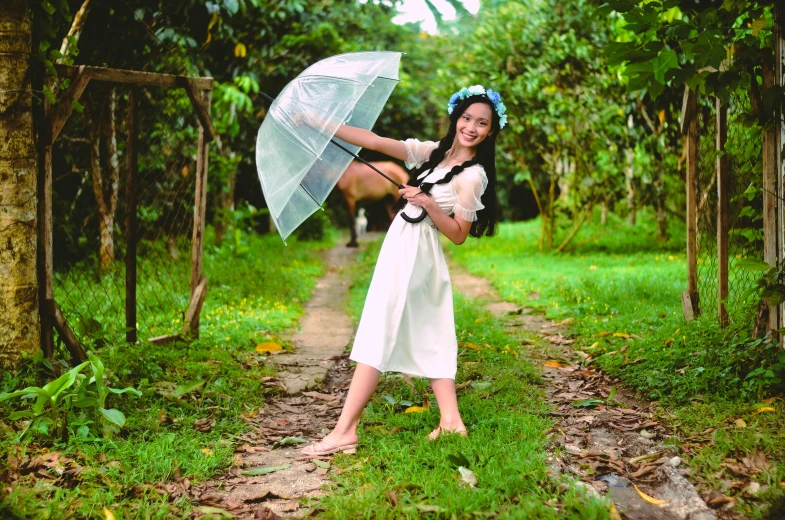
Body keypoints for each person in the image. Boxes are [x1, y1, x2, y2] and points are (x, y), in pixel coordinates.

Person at [302, 85, 507, 456]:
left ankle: (344, 430)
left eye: (482, 123)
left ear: (491, 131)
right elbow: (376, 140)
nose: (472, 127)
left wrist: (427, 201)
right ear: (456, 119)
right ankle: (451, 421)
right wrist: (322, 125)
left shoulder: (473, 175)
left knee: (379, 328)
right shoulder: (434, 153)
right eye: (467, 118)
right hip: (401, 247)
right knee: (431, 327)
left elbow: (459, 234)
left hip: (417, 252)